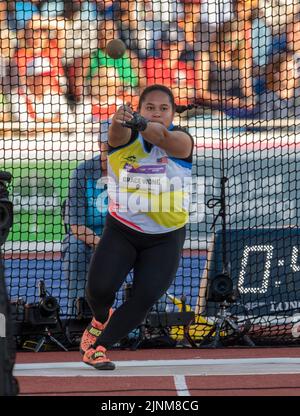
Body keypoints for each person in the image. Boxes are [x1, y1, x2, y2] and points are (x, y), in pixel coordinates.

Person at [80, 84, 194, 370]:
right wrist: (120, 120)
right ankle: (100, 318)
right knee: (99, 291)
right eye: (150, 108)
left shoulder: (182, 139)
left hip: (165, 237)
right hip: (123, 229)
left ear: (173, 113)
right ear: (139, 108)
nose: (157, 112)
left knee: (145, 296)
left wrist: (143, 122)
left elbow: (163, 137)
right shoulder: (125, 135)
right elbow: (115, 136)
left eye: (163, 108)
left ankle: (98, 347)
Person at [62, 129, 109, 317]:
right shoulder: (82, 172)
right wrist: (102, 245)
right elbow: (76, 227)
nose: (112, 148)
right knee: (74, 246)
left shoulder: (133, 171)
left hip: (122, 238)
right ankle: (78, 315)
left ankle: (148, 320)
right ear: (99, 144)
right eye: (108, 144)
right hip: (89, 236)